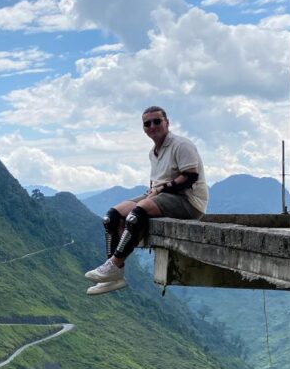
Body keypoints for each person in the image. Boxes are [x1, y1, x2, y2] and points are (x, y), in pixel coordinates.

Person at [85, 106, 208, 295]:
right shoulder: (153, 152)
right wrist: (154, 191)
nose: (152, 126)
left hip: (188, 201)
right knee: (112, 217)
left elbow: (190, 177)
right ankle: (114, 277)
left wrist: (160, 189)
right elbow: (157, 180)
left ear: (167, 122)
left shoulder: (181, 145)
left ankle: (115, 264)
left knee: (136, 215)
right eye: (147, 123)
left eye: (157, 121)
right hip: (161, 195)